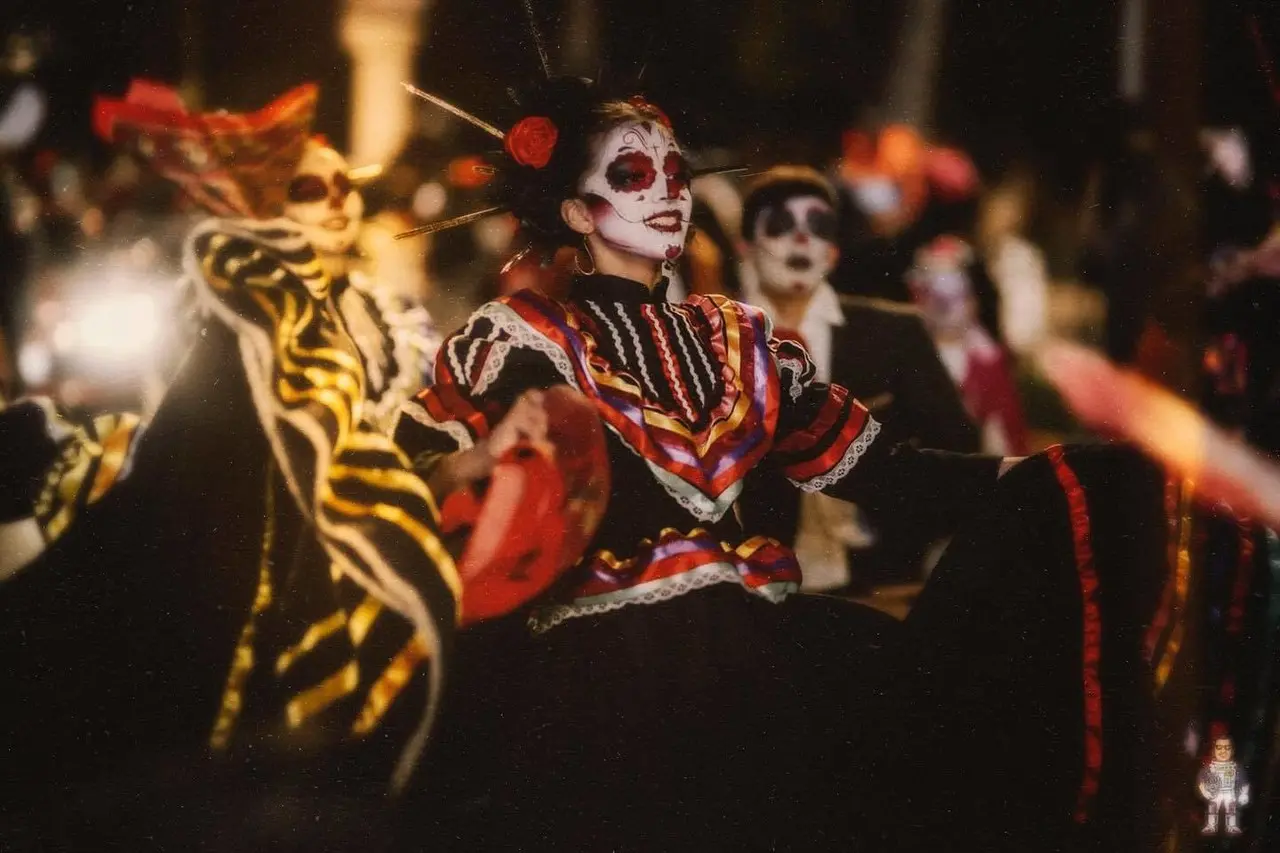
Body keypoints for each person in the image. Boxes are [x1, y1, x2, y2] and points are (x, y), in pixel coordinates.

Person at [394, 75, 1178, 852]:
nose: (667, 192)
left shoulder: (739, 340)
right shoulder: (522, 339)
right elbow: (421, 467)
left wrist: (1038, 474)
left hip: (747, 640)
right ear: (575, 211)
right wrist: (493, 453)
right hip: (606, 669)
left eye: (676, 173)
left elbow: (882, 472)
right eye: (631, 175)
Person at [735, 165, 978, 591]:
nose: (801, 239)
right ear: (746, 246)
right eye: (779, 226)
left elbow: (957, 445)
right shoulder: (715, 339)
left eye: (818, 226)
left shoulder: (894, 332)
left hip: (876, 582)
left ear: (833, 250)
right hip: (752, 587)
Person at [908, 234, 1030, 455]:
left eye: (956, 296)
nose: (944, 307)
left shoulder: (989, 362)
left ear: (975, 300)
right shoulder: (907, 355)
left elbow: (1006, 439)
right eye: (933, 295)